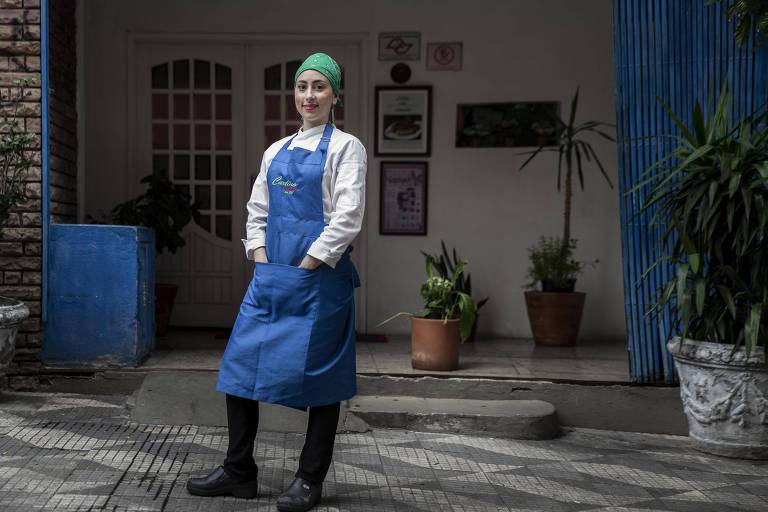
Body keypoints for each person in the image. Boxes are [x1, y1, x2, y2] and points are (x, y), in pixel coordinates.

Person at [186, 53, 366, 512]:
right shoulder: (276, 150)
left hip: (319, 279)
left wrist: (306, 266)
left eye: (319, 87)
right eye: (302, 86)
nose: (309, 96)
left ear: (334, 94)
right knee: (241, 369)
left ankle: (308, 479)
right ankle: (238, 470)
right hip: (270, 277)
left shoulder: (348, 148)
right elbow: (258, 212)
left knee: (321, 381)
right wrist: (263, 262)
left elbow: (347, 218)